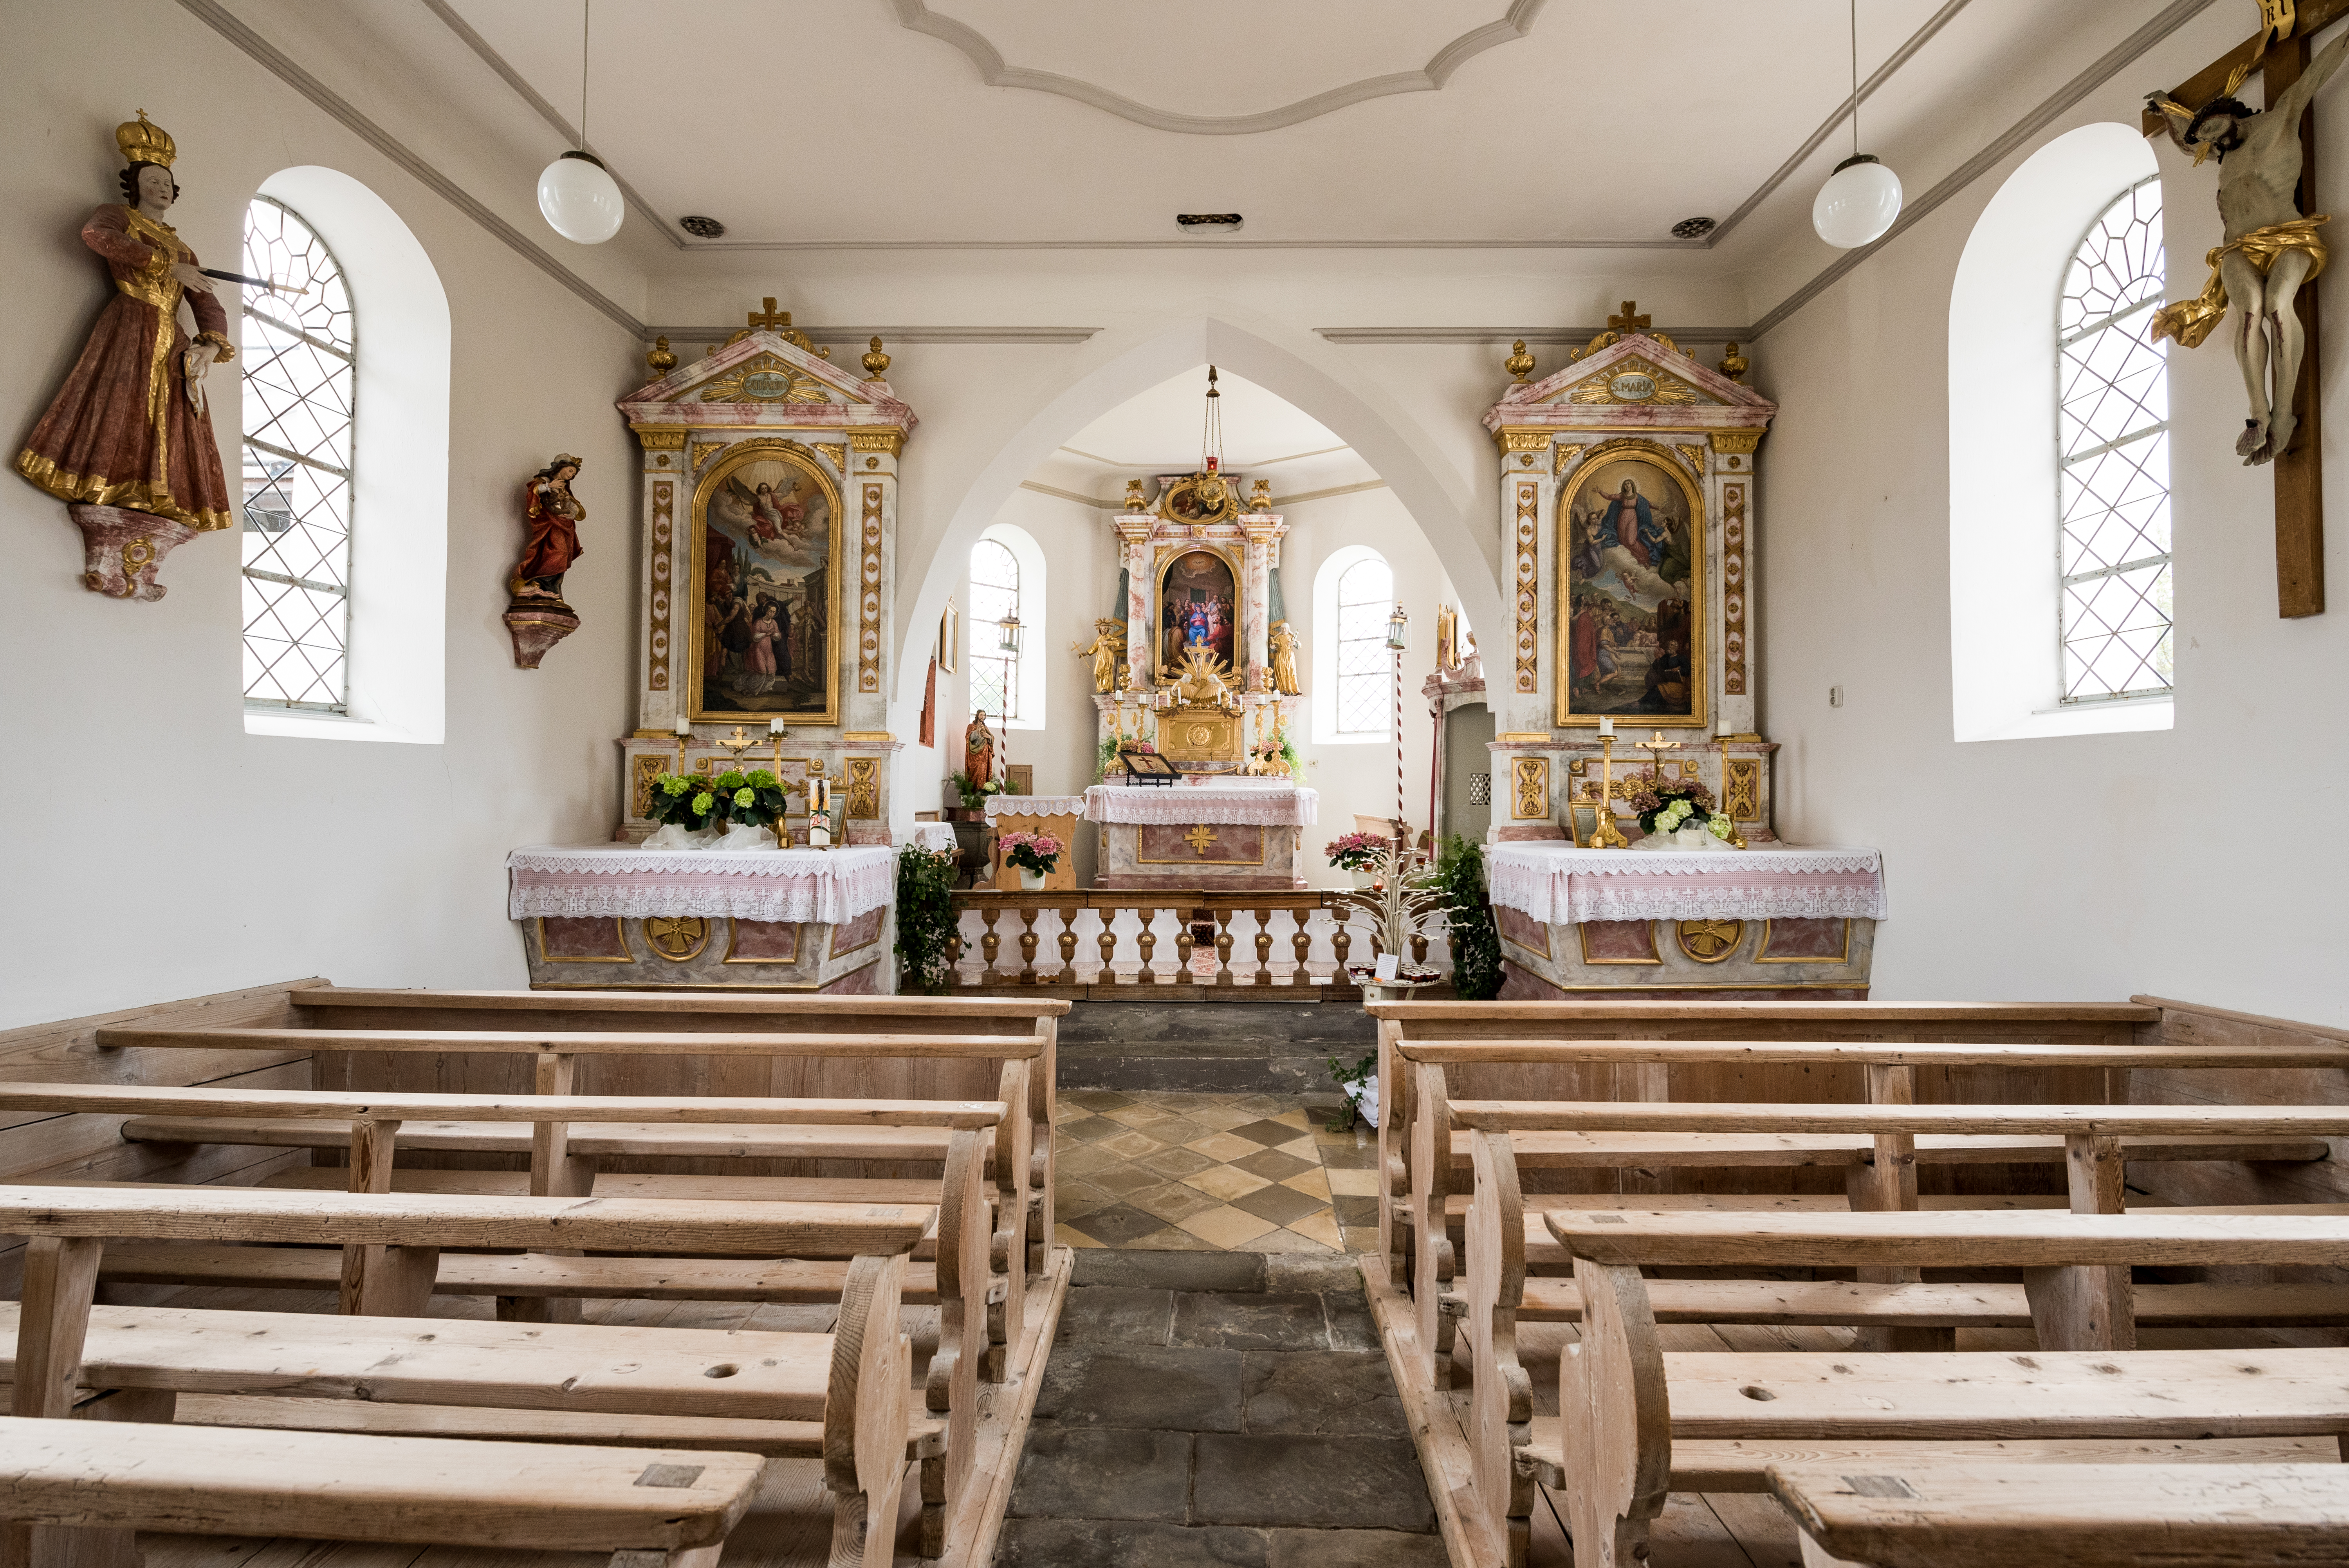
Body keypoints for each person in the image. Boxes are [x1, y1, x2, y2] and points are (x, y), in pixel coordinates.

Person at [14, 112, 237, 533]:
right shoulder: (120, 217)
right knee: (122, 400)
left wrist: (210, 344)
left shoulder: (185, 250)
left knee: (169, 413)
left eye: (168, 183)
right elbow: (98, 236)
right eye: (153, 180)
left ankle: (158, 493)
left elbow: (208, 302)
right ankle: (109, 483)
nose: (162, 188)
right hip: (132, 321)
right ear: (134, 185)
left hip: (171, 337)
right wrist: (164, 267)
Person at [512, 455, 585, 603]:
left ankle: (553, 588)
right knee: (558, 552)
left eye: (573, 474)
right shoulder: (544, 481)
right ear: (561, 467)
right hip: (548, 524)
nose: (571, 475)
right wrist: (549, 487)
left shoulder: (565, 489)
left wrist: (570, 509)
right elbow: (533, 491)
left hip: (564, 525)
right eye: (570, 470)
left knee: (564, 555)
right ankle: (539, 582)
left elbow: (576, 511)